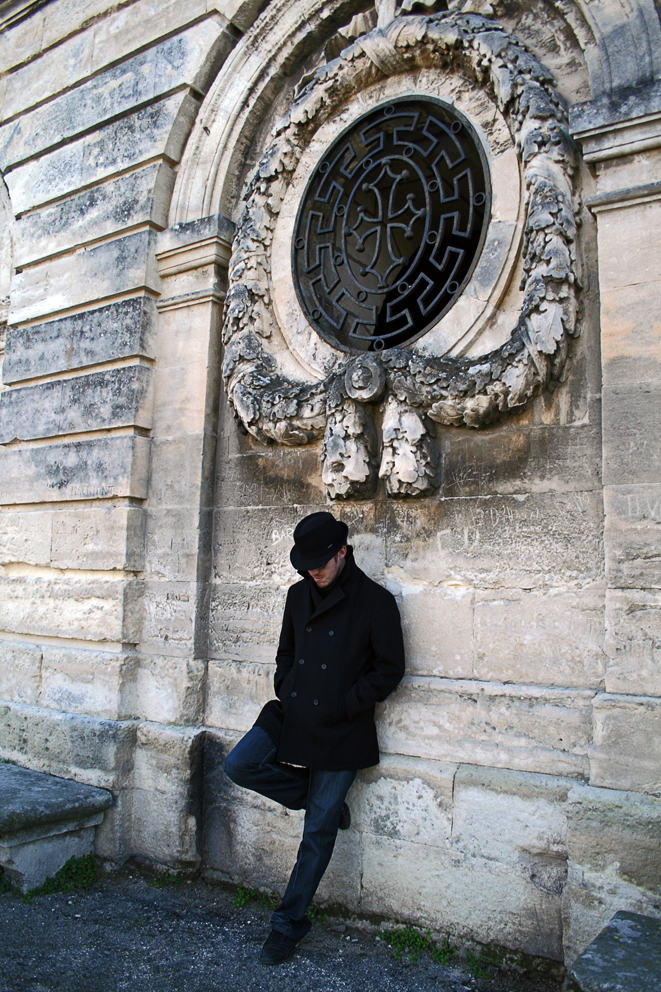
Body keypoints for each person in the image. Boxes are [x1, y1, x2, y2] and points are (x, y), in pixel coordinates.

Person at [224, 511, 405, 965]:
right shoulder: (296, 596)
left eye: (321, 561)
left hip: (342, 728)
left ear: (343, 552)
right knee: (239, 765)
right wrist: (285, 684)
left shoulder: (376, 603)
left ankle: (288, 924)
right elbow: (286, 653)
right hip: (294, 711)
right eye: (306, 564)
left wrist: (347, 703)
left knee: (317, 832)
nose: (313, 571)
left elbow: (390, 669)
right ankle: (323, 802)